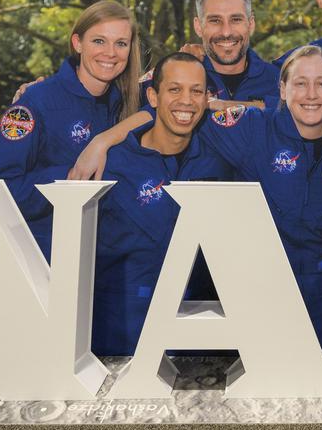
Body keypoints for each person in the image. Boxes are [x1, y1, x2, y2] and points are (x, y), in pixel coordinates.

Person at [77, 46, 322, 354]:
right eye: (300, 83)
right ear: (282, 89)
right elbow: (177, 112)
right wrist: (104, 139)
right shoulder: (251, 128)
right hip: (266, 294)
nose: (311, 94)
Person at [92, 53, 232, 355]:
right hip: (121, 331)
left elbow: (280, 112)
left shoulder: (219, 159)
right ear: (153, 96)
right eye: (174, 89)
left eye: (196, 91)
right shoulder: (111, 164)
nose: (186, 101)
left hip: (196, 331)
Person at [0, 0, 143, 259]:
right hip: (47, 257)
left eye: (121, 43)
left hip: (105, 260)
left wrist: (102, 141)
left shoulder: (127, 101)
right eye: (99, 41)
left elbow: (176, 103)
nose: (111, 52)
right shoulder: (35, 101)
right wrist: (70, 179)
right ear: (78, 43)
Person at [167, 0, 280, 109]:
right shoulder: (172, 79)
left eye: (236, 20)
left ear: (251, 25)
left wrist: (219, 105)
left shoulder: (278, 81)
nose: (226, 32)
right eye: (215, 21)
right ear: (198, 27)